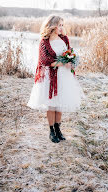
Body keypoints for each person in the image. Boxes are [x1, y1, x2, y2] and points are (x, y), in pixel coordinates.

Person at [27, 14, 85, 143]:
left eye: (62, 25)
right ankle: (51, 131)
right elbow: (45, 61)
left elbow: (69, 53)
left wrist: (71, 61)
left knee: (60, 104)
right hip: (50, 76)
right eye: (59, 25)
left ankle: (58, 129)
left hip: (64, 75)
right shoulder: (44, 42)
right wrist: (62, 63)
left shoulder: (64, 39)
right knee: (51, 105)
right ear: (52, 26)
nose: (61, 27)